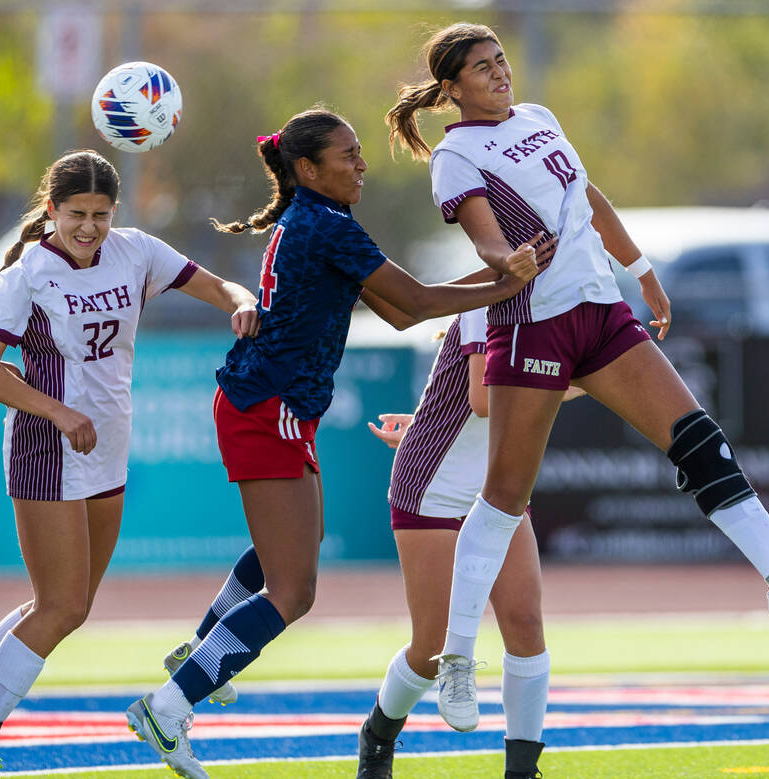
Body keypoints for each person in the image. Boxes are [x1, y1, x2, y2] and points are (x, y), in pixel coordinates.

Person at [384, 21, 769, 735]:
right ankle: (457, 655)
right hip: (533, 323)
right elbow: (485, 235)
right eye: (482, 68)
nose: (501, 73)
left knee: (697, 435)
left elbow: (589, 197)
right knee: (505, 495)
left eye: (501, 59)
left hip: (601, 312)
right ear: (451, 89)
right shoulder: (456, 154)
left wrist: (640, 270)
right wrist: (504, 260)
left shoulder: (540, 117)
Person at [125, 107, 557, 779]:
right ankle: (170, 703)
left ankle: (197, 652)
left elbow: (393, 305)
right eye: (348, 154)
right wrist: (505, 282)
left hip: (270, 405)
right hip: (267, 408)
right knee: (293, 591)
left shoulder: (323, 222)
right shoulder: (325, 225)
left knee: (291, 555)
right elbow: (411, 302)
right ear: (307, 169)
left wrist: (498, 281)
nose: (361, 163)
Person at [0, 149, 262, 779]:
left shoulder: (135, 249)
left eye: (100, 214)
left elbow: (221, 287)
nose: (88, 227)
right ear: (50, 210)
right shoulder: (28, 272)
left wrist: (241, 302)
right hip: (46, 450)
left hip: (105, 448)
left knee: (61, 604)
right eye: (75, 213)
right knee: (63, 608)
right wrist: (56, 412)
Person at [356, 308, 587, 779]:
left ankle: (522, 771)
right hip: (432, 488)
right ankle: (378, 737)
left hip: (496, 487)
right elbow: (485, 399)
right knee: (431, 649)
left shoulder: (565, 304)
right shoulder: (491, 295)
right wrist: (596, 380)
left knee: (525, 625)